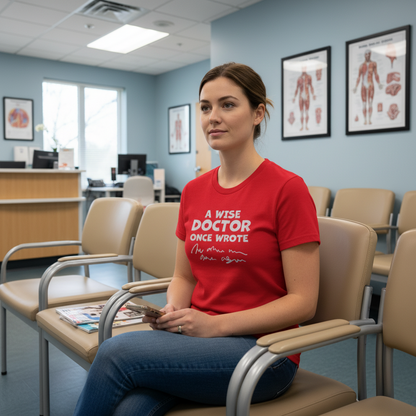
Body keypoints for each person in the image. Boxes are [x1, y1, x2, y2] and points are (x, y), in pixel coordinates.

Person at [73, 63, 320, 416]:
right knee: (130, 409)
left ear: (257, 113)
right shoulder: (193, 191)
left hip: (265, 351)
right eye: (205, 107)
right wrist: (174, 308)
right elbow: (184, 277)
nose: (212, 117)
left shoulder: (287, 189)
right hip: (197, 339)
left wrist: (216, 325)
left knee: (116, 354)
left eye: (228, 105)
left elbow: (303, 302)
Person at [353, 49, 383, 125]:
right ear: (364, 55)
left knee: (370, 103)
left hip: (370, 85)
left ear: (370, 54)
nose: (367, 56)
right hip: (363, 86)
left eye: (368, 54)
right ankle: (364, 120)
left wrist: (379, 83)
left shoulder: (373, 64)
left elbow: (376, 74)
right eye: (366, 55)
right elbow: (358, 77)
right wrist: (356, 87)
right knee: (363, 104)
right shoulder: (361, 66)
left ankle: (369, 120)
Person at [292, 66, 316, 131]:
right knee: (302, 112)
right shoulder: (299, 79)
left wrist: (313, 94)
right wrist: (294, 97)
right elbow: (297, 88)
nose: (303, 69)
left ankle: (307, 126)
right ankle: (302, 126)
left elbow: (311, 86)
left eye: (304, 68)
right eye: (302, 68)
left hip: (307, 95)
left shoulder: (309, 77)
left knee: (307, 112)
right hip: (301, 96)